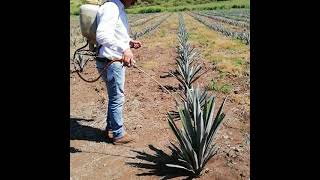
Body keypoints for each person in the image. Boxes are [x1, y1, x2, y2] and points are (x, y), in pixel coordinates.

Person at [95, 0, 141, 144]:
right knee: (117, 98)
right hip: (111, 61)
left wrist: (129, 42)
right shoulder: (111, 7)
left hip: (110, 59)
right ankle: (118, 134)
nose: (135, 2)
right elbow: (102, 35)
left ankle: (110, 128)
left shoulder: (116, 7)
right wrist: (124, 49)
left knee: (114, 96)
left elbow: (115, 33)